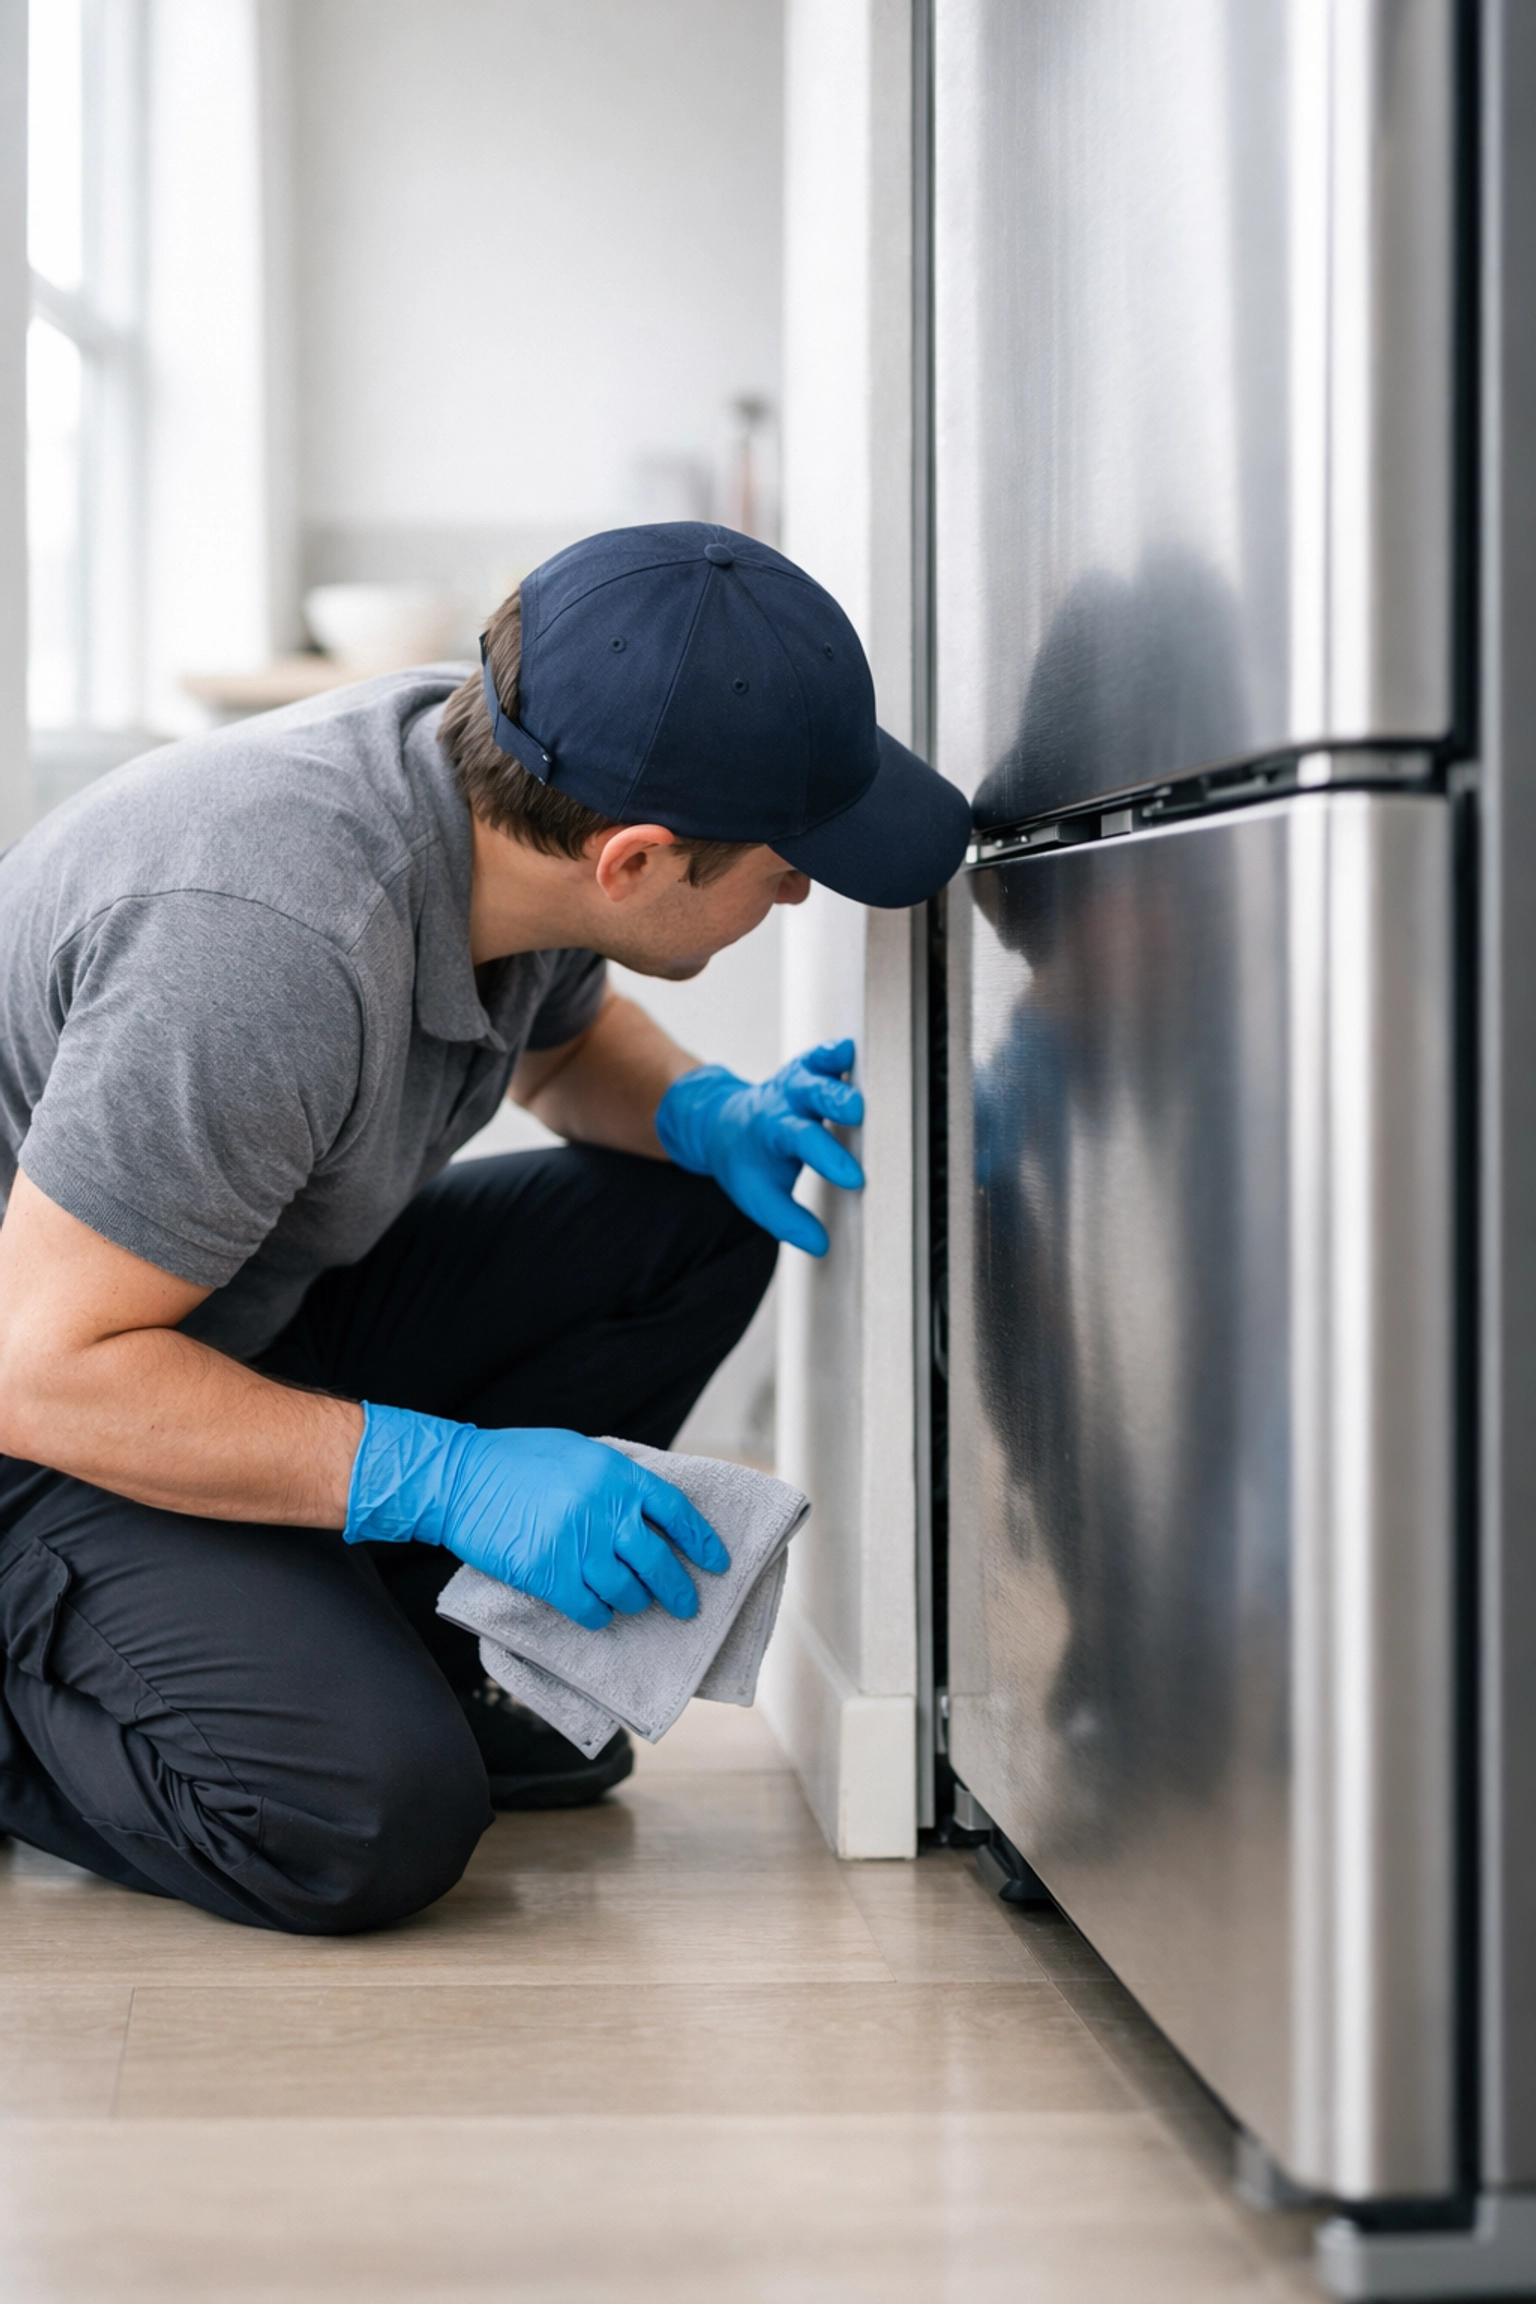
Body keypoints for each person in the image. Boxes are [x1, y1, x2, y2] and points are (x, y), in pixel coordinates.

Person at [0, 523, 970, 1934]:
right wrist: (446, 1477)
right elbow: (44, 1369)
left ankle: (361, 1636)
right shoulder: (261, 939)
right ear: (634, 862)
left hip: (206, 1322)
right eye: (785, 859)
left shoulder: (504, 784)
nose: (801, 890)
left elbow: (566, 1055)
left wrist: (709, 1113)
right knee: (363, 1817)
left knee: (682, 1225)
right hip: (53, 1407)